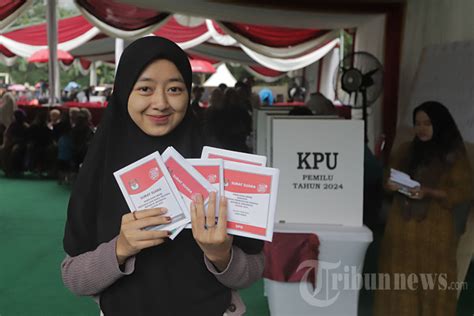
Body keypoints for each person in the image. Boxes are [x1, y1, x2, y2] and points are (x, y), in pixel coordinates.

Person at [61, 37, 264, 316]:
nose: (161, 103)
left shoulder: (218, 164)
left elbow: (253, 271)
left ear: (189, 93)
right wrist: (120, 248)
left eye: (175, 89)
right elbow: (74, 278)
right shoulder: (101, 166)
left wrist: (221, 256)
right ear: (123, 93)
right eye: (145, 88)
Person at [373, 101, 473, 316]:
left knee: (431, 286)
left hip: (434, 234)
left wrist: (429, 192)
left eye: (428, 123)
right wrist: (390, 185)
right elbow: (387, 178)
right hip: (401, 230)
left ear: (440, 124)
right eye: (418, 123)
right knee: (398, 286)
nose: (422, 129)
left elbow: (462, 192)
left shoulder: (454, 156)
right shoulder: (406, 150)